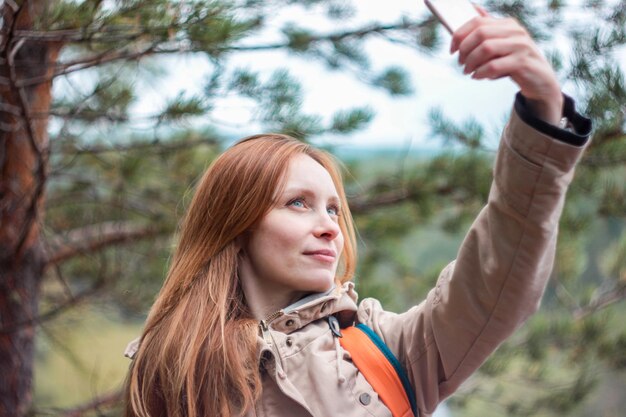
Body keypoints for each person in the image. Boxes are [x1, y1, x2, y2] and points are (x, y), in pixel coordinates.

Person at [123, 9, 592, 417]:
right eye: (298, 203)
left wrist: (543, 113)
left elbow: (494, 279)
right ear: (236, 225)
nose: (329, 226)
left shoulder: (387, 348)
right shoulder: (168, 369)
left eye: (333, 208)